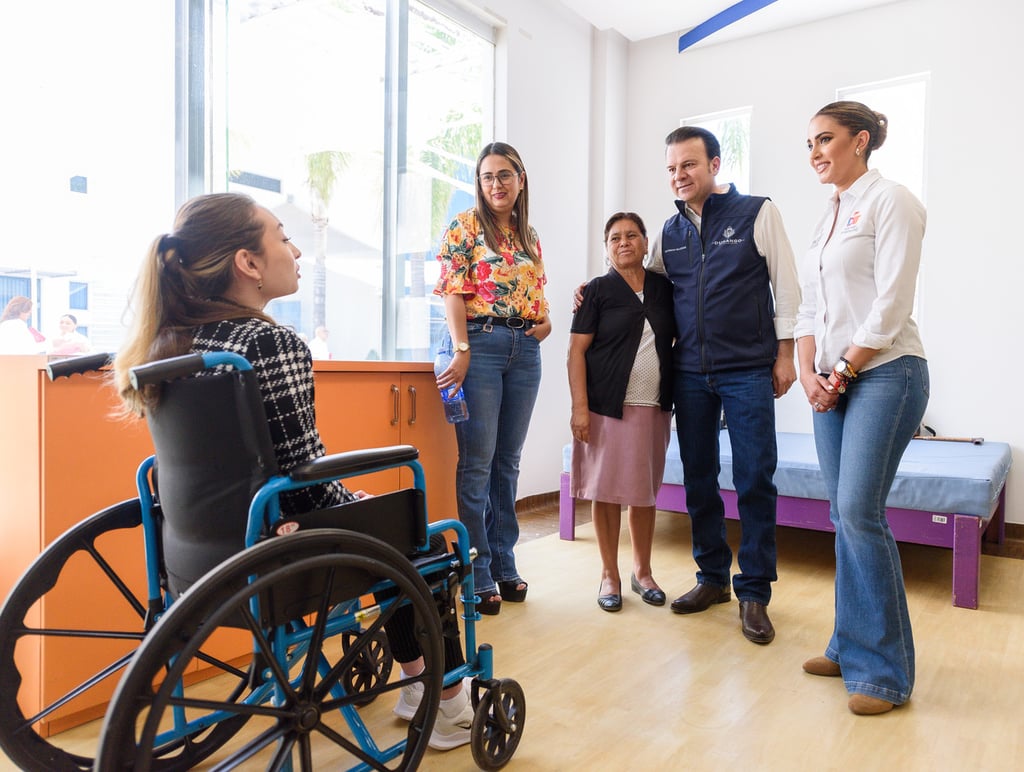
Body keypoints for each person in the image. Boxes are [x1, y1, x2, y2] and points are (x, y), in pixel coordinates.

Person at [113, 192, 474, 749]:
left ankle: (415, 685)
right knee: (424, 538)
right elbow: (304, 482)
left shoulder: (170, 344)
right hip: (280, 548)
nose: (296, 249)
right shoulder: (267, 341)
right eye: (282, 236)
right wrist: (359, 499)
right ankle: (444, 702)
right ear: (248, 263)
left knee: (384, 522)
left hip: (196, 553)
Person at [796, 101, 928, 715]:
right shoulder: (827, 216)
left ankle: (884, 673)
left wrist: (844, 370)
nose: (816, 151)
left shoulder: (890, 201)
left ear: (863, 141)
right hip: (831, 379)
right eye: (811, 143)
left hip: (885, 373)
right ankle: (849, 646)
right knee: (841, 515)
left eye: (826, 139)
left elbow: (891, 304)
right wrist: (806, 372)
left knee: (859, 510)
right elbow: (807, 308)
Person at [647, 126, 801, 644]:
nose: (678, 175)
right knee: (698, 479)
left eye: (688, 165)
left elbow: (788, 285)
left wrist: (785, 355)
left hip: (749, 369)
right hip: (689, 371)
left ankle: (754, 592)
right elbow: (644, 289)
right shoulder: (668, 232)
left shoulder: (757, 212)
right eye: (671, 168)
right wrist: (593, 290)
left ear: (715, 163)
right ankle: (711, 578)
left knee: (756, 477)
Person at [433, 141, 552, 616]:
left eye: (505, 175)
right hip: (479, 346)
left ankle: (506, 564)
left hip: (525, 351)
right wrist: (462, 349)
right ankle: (478, 573)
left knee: (508, 463)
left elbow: (539, 298)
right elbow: (452, 292)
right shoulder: (464, 226)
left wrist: (540, 326)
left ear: (521, 180)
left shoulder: (529, 235)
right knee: (478, 464)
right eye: (487, 177)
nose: (496, 184)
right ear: (478, 184)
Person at [568, 213, 675, 612]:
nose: (624, 242)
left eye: (632, 235)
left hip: (654, 408)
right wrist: (580, 408)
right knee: (606, 492)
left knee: (644, 494)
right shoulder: (595, 292)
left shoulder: (665, 289)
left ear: (647, 244)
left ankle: (642, 572)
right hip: (605, 409)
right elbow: (576, 352)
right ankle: (609, 574)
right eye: (615, 237)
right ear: (607, 247)